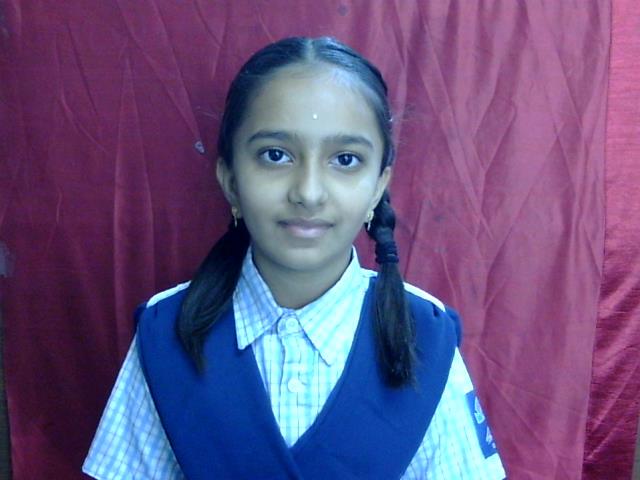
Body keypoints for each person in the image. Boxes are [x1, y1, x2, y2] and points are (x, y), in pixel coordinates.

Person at [83, 36, 506, 479]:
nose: (308, 192)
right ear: (230, 180)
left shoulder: (422, 336)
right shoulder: (168, 332)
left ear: (378, 186)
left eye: (345, 159)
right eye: (276, 155)